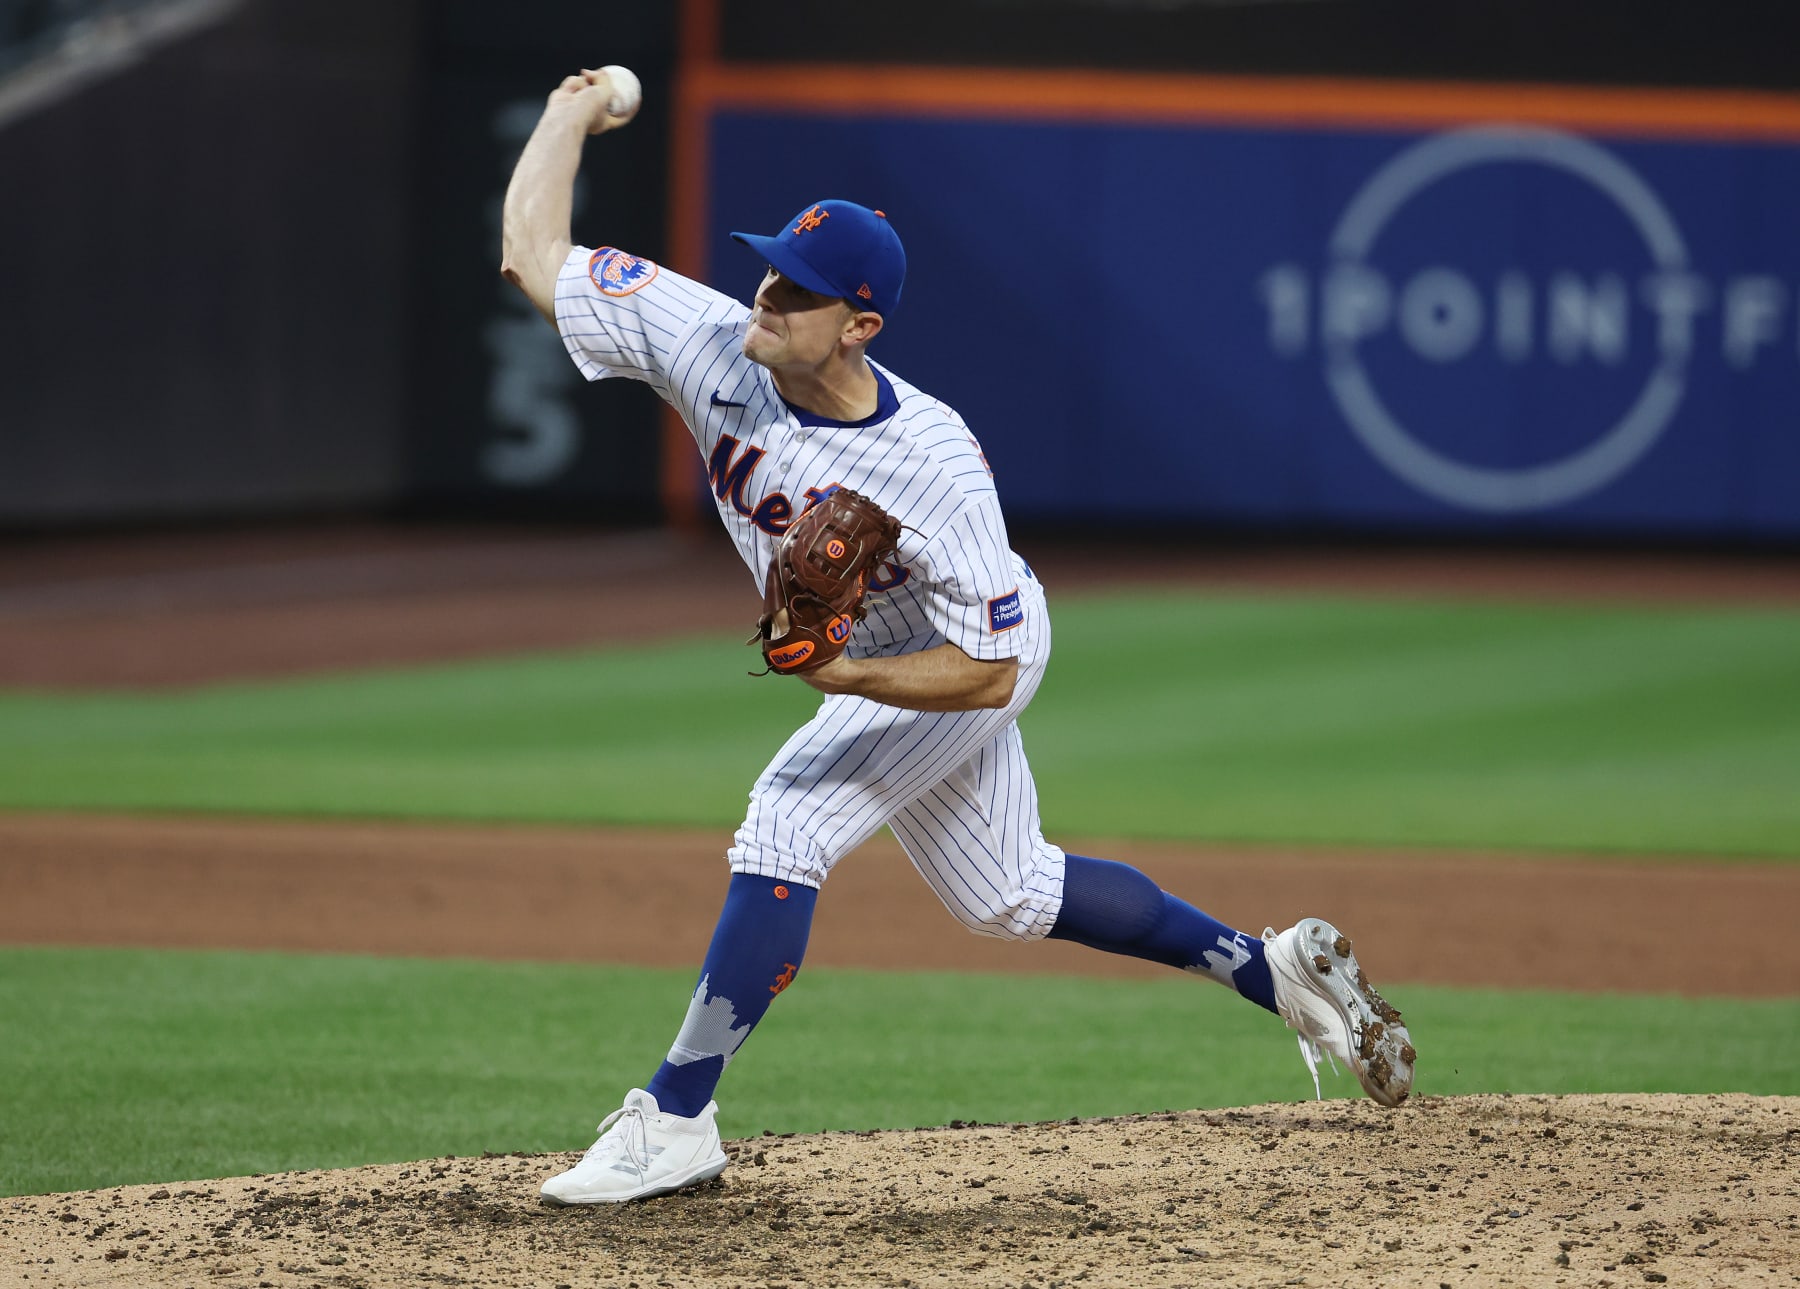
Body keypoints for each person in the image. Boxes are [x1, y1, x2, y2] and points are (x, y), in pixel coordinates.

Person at [500, 67, 1416, 1207]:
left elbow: (988, 666)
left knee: (787, 820)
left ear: (860, 324)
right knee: (1010, 893)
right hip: (887, 653)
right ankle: (1266, 968)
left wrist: (848, 673)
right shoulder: (710, 337)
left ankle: (675, 1114)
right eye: (770, 269)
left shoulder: (932, 462)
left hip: (966, 651)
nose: (766, 299)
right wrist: (568, 111)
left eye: (799, 291)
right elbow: (535, 256)